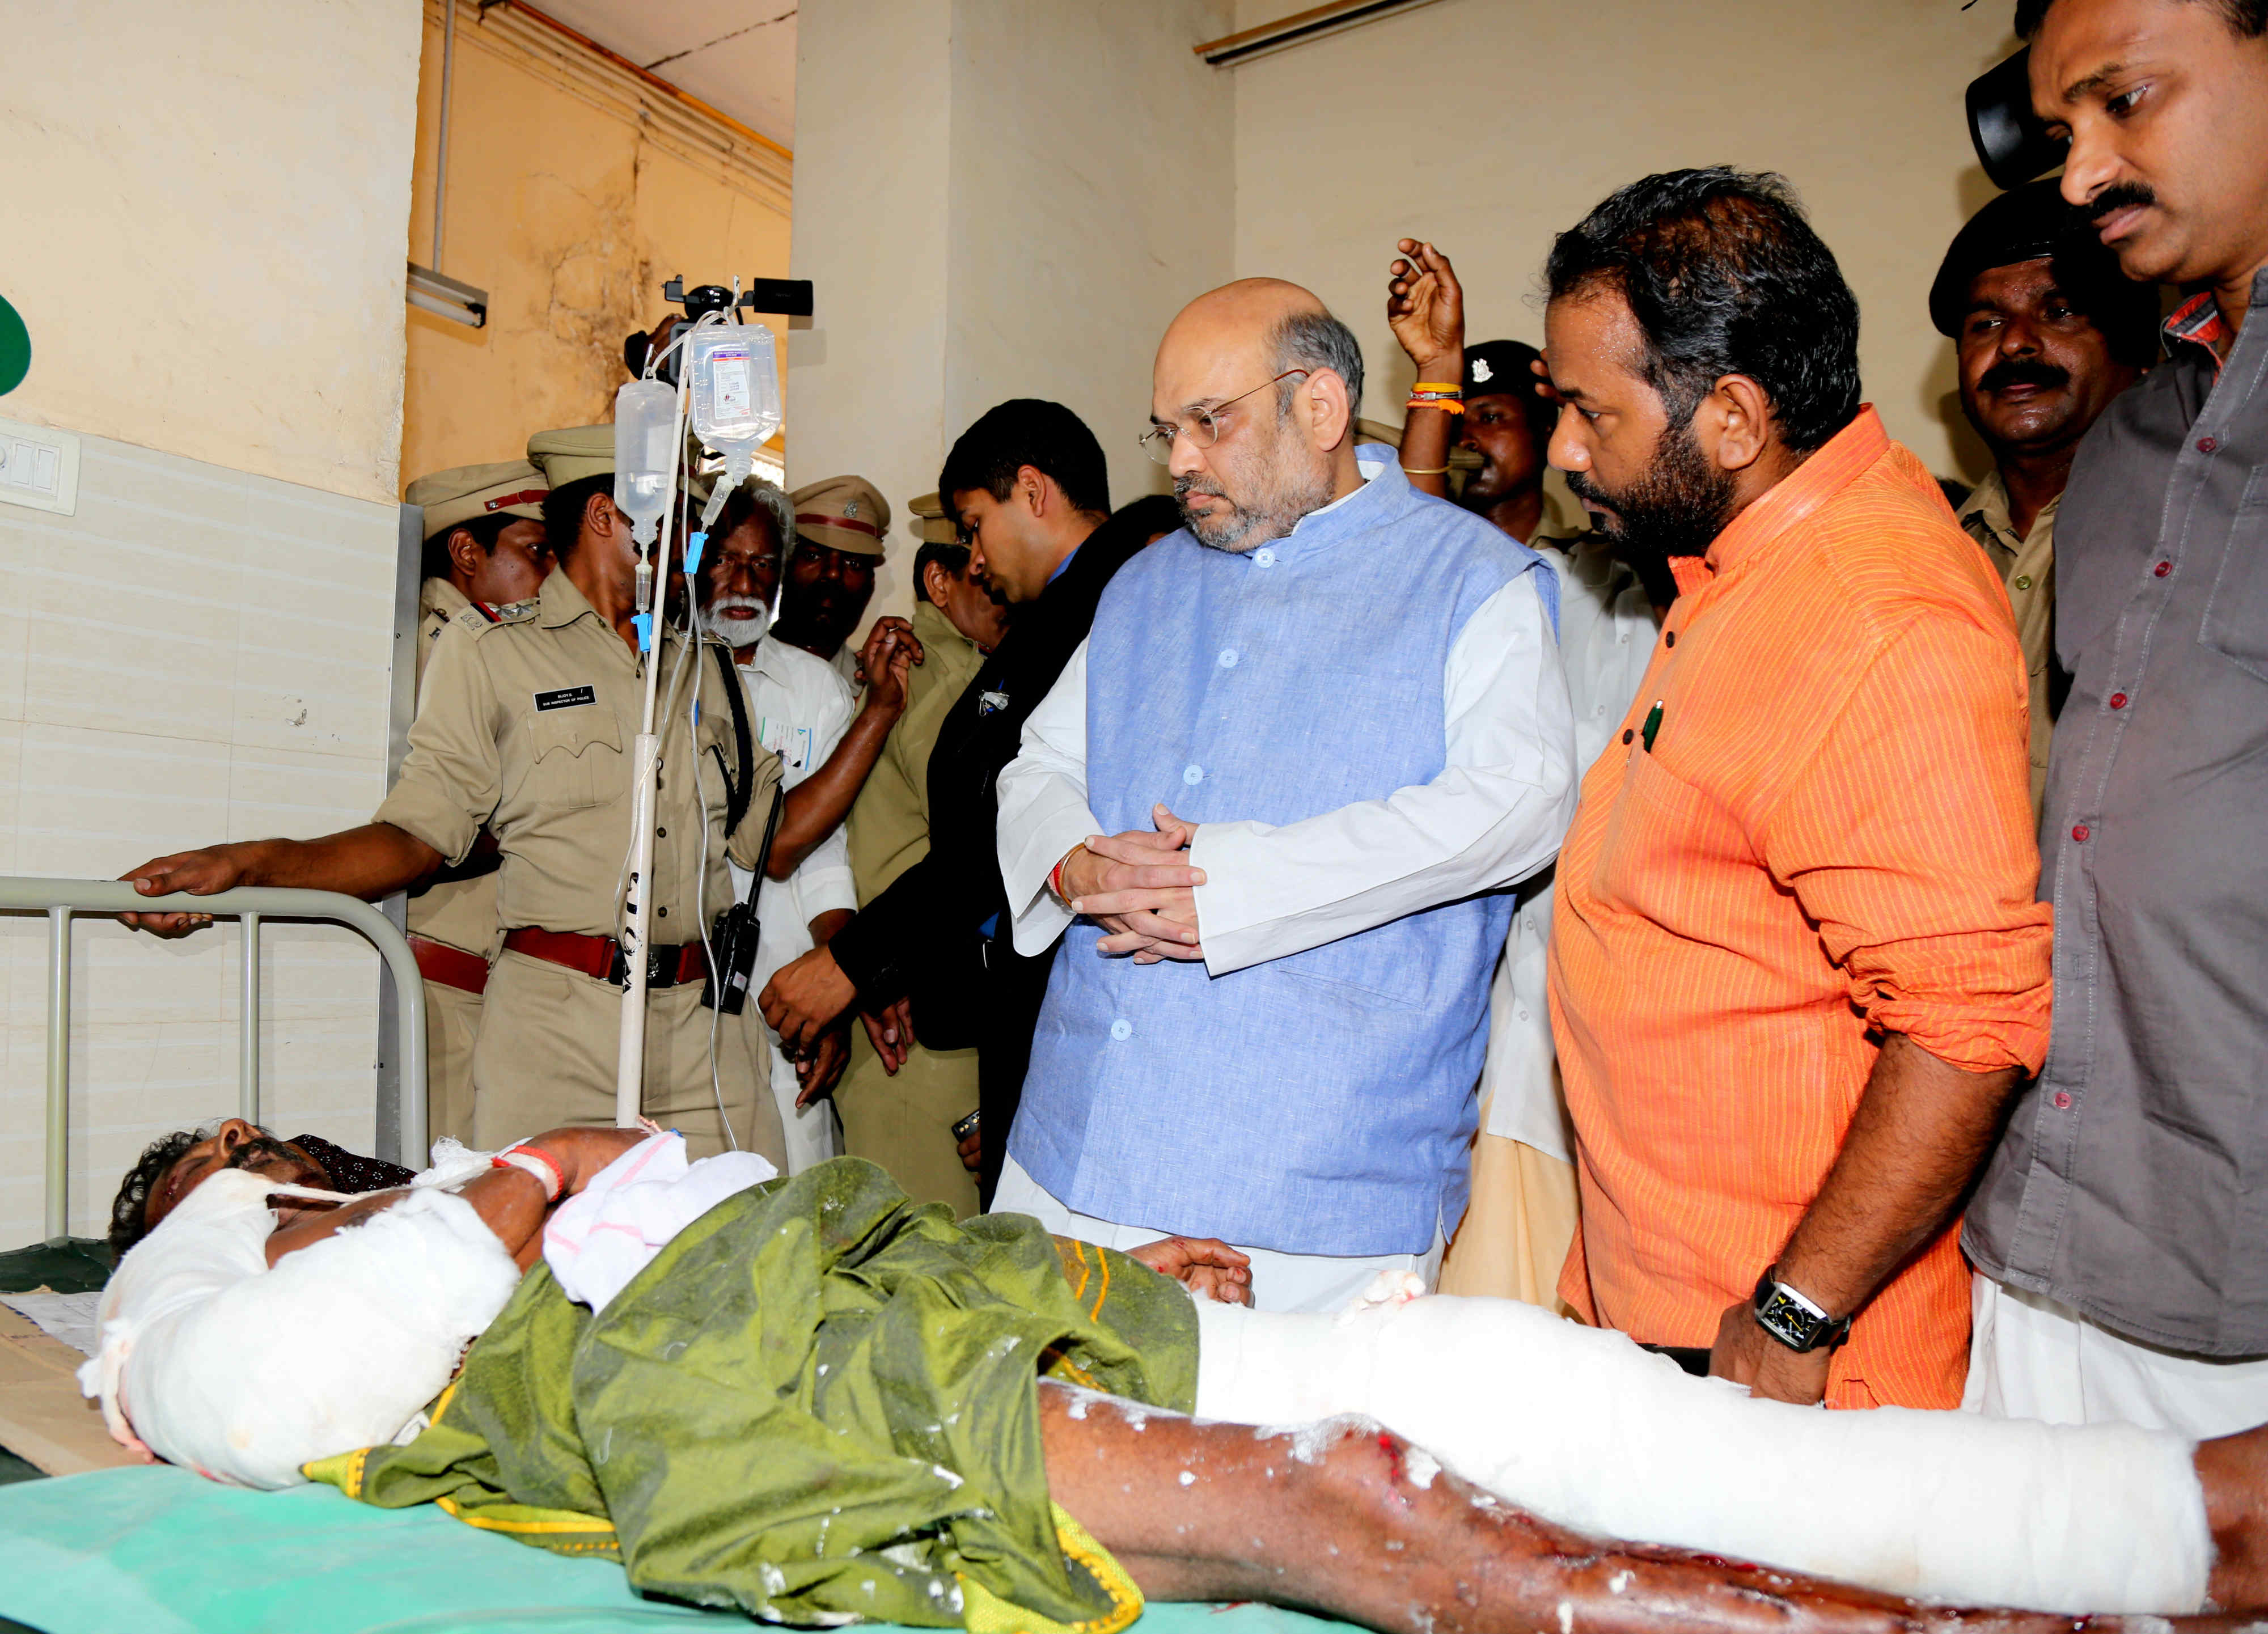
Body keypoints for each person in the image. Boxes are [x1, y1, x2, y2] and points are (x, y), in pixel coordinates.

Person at [87, 1119, 2268, 1627]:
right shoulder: (190, 1287)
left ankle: (2176, 1529)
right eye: (222, 1154)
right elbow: (270, 1409)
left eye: (258, 1140)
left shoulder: (427, 1171)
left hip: (866, 1271)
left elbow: (775, 1196)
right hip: (725, 1371)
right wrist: (502, 1197)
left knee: (1496, 1371)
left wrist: (1085, 1258)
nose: (262, 1147)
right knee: (1359, 1498)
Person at [1542, 169, 2053, 1409]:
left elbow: (1967, 1023)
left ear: (1729, 416)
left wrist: (1795, 1305)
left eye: (1587, 414)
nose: (1562, 450)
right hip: (1667, 1306)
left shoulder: (1873, 613)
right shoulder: (1739, 563)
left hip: (1779, 1361)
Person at [976, 281, 1575, 1313]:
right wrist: (1074, 862)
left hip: (1310, 1197)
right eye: (1167, 430)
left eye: (1211, 423)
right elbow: (1038, 765)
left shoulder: (1473, 578)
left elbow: (1519, 802)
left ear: (1322, 408)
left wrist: (1238, 885)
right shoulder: (1146, 582)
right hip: (1071, 1144)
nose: (1179, 462)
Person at [114, 425, 790, 1160]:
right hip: (557, 1037)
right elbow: (415, 834)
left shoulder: (710, 668)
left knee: (753, 1253)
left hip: (705, 1037)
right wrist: (249, 864)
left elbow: (763, 840)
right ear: (609, 517)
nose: (698, 548)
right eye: (684, 522)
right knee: (538, 1267)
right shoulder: (492, 650)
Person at [1963, 0, 2268, 1437]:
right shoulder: (2134, 445)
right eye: (2061, 128)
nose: (2079, 176)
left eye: (2123, 104)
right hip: (2035, 1242)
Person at [759, 404, 1166, 1208]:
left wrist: (852, 963)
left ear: (1032, 492)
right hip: (1022, 1001)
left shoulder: (1112, 606)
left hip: (1085, 999)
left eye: (976, 526)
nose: (973, 559)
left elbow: (997, 834)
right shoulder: (1056, 617)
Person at [1385, 241, 1666, 1309]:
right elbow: (1410, 543)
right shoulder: (1540, 582)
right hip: (1513, 1038)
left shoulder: (1704, 594)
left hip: (1638, 1047)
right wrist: (1437, 372)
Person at [697, 476, 920, 1171]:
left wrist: (839, 979)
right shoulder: (660, 679)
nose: (744, 580)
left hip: (784, 1009)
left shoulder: (813, 685)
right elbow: (770, 842)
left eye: (762, 564)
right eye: (726, 559)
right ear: (696, 563)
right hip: (683, 1004)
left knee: (795, 1220)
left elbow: (823, 855)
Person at [1929, 179, 2158, 816]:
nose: (2015, 343)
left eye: (2058, 311)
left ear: (2139, 351)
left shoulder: (2194, 532)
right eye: (1986, 323)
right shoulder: (1923, 547)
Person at [833, 493, 1009, 1212]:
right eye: (985, 578)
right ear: (940, 582)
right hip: (921, 1038)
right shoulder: (937, 679)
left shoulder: (962, 670)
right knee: (926, 1290)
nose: (1006, 592)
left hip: (927, 1021)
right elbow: (986, 852)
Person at [399, 461, 554, 1144]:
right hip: (451, 990)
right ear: (467, 553)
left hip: (483, 990)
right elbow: (450, 825)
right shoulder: (447, 649)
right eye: (536, 552)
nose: (553, 574)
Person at [769, 475, 889, 687]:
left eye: (854, 564)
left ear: (870, 586)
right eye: (812, 556)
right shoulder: (728, 672)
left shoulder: (873, 691)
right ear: (782, 568)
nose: (833, 574)